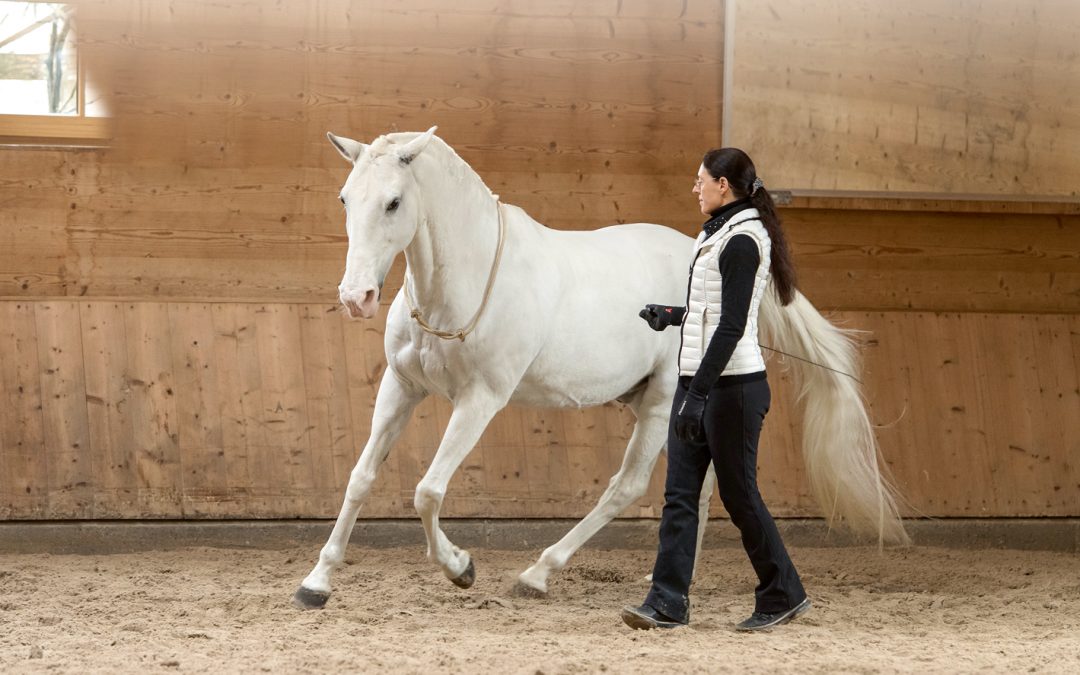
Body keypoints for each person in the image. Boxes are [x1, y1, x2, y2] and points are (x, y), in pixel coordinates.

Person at [621, 148, 811, 632]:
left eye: (700, 179)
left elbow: (732, 327)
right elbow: (712, 315)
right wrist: (674, 317)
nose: (695, 187)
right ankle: (667, 602)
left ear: (723, 185)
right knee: (680, 495)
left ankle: (782, 591)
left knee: (739, 495)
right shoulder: (720, 234)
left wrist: (698, 395)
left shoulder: (744, 241)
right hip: (701, 382)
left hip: (733, 390)